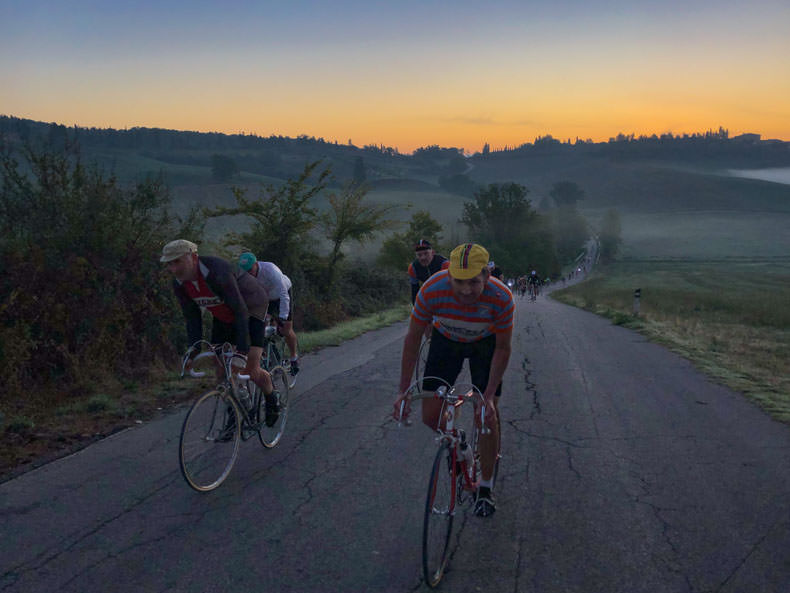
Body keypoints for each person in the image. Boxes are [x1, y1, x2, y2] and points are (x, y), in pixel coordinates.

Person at [393, 243, 514, 517]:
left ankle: (484, 487)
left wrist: (489, 396)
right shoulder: (433, 289)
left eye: (474, 282)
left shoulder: (501, 297)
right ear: (449, 276)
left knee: (486, 416)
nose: (466, 290)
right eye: (459, 282)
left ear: (487, 275)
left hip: (486, 343)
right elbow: (412, 340)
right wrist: (402, 392)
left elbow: (503, 348)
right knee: (429, 416)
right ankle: (460, 442)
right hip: (446, 340)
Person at [161, 239, 281, 427]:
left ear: (193, 257)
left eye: (177, 261)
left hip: (251, 309)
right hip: (224, 315)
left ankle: (271, 398)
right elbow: (192, 318)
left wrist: (242, 350)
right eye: (169, 264)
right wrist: (193, 351)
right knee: (220, 370)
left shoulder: (217, 271)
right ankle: (235, 414)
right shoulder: (180, 283)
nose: (174, 268)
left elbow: (241, 311)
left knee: (249, 368)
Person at [238, 252, 300, 378]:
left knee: (286, 329)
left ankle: (294, 357)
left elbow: (284, 295)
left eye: (250, 269)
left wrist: (283, 317)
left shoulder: (271, 270)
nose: (248, 273)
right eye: (245, 271)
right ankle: (274, 358)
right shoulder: (244, 275)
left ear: (256, 264)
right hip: (264, 299)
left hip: (281, 295)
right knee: (260, 330)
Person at [407, 239, 449, 305]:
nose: (423, 258)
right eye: (419, 255)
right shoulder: (413, 268)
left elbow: (453, 287)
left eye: (426, 253)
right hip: (430, 295)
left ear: (433, 252)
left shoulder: (444, 264)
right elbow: (415, 290)